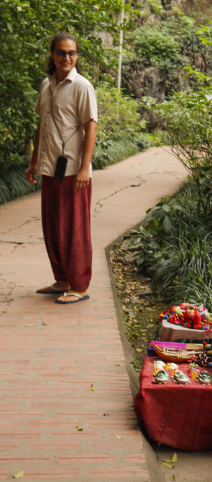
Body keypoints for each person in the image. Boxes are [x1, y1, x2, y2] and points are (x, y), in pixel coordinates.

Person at [27, 32, 98, 304]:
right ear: (52, 55)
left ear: (76, 56)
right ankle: (63, 279)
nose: (66, 57)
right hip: (48, 167)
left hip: (72, 172)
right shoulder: (47, 85)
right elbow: (41, 126)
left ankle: (79, 286)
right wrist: (35, 161)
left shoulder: (82, 86)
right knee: (53, 228)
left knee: (74, 230)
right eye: (61, 52)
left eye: (71, 53)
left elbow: (90, 125)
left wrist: (84, 168)